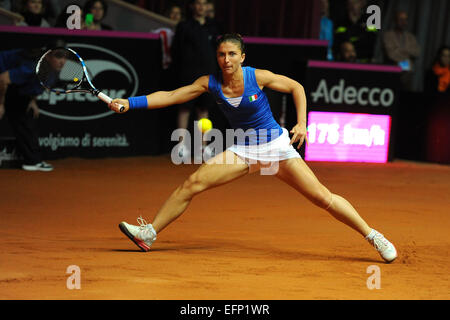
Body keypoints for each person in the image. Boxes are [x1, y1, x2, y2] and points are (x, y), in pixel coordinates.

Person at [108, 33, 398, 263]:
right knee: (192, 183)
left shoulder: (256, 77)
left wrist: (301, 123)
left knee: (323, 198)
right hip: (244, 151)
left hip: (276, 148)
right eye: (221, 54)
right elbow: (171, 95)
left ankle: (373, 236)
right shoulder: (209, 83)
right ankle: (149, 233)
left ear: (242, 56)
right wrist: (130, 103)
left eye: (232, 53)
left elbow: (296, 86)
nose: (226, 59)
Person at [171, 0, 220, 160]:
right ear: (193, 6)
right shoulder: (184, 26)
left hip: (208, 76)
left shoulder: (213, 27)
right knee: (184, 109)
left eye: (204, 4)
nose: (201, 7)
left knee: (203, 110)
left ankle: (203, 147)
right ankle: (181, 147)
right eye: (198, 3)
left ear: (208, 7)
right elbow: (176, 51)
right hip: (187, 75)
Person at [0, 46, 55, 171]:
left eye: (64, 57)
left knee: (26, 117)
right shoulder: (32, 67)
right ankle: (32, 160)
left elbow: (33, 84)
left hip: (13, 88)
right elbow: (3, 79)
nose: (62, 61)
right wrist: (1, 104)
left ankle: (32, 160)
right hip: (3, 82)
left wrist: (32, 101)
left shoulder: (48, 70)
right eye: (58, 56)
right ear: (48, 56)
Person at [382, 11, 420, 91]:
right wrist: (407, 55)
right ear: (395, 21)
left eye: (405, 20)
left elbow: (416, 52)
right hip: (391, 72)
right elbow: (391, 54)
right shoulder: (388, 35)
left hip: (406, 75)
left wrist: (398, 50)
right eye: (401, 19)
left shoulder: (411, 37)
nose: (403, 22)